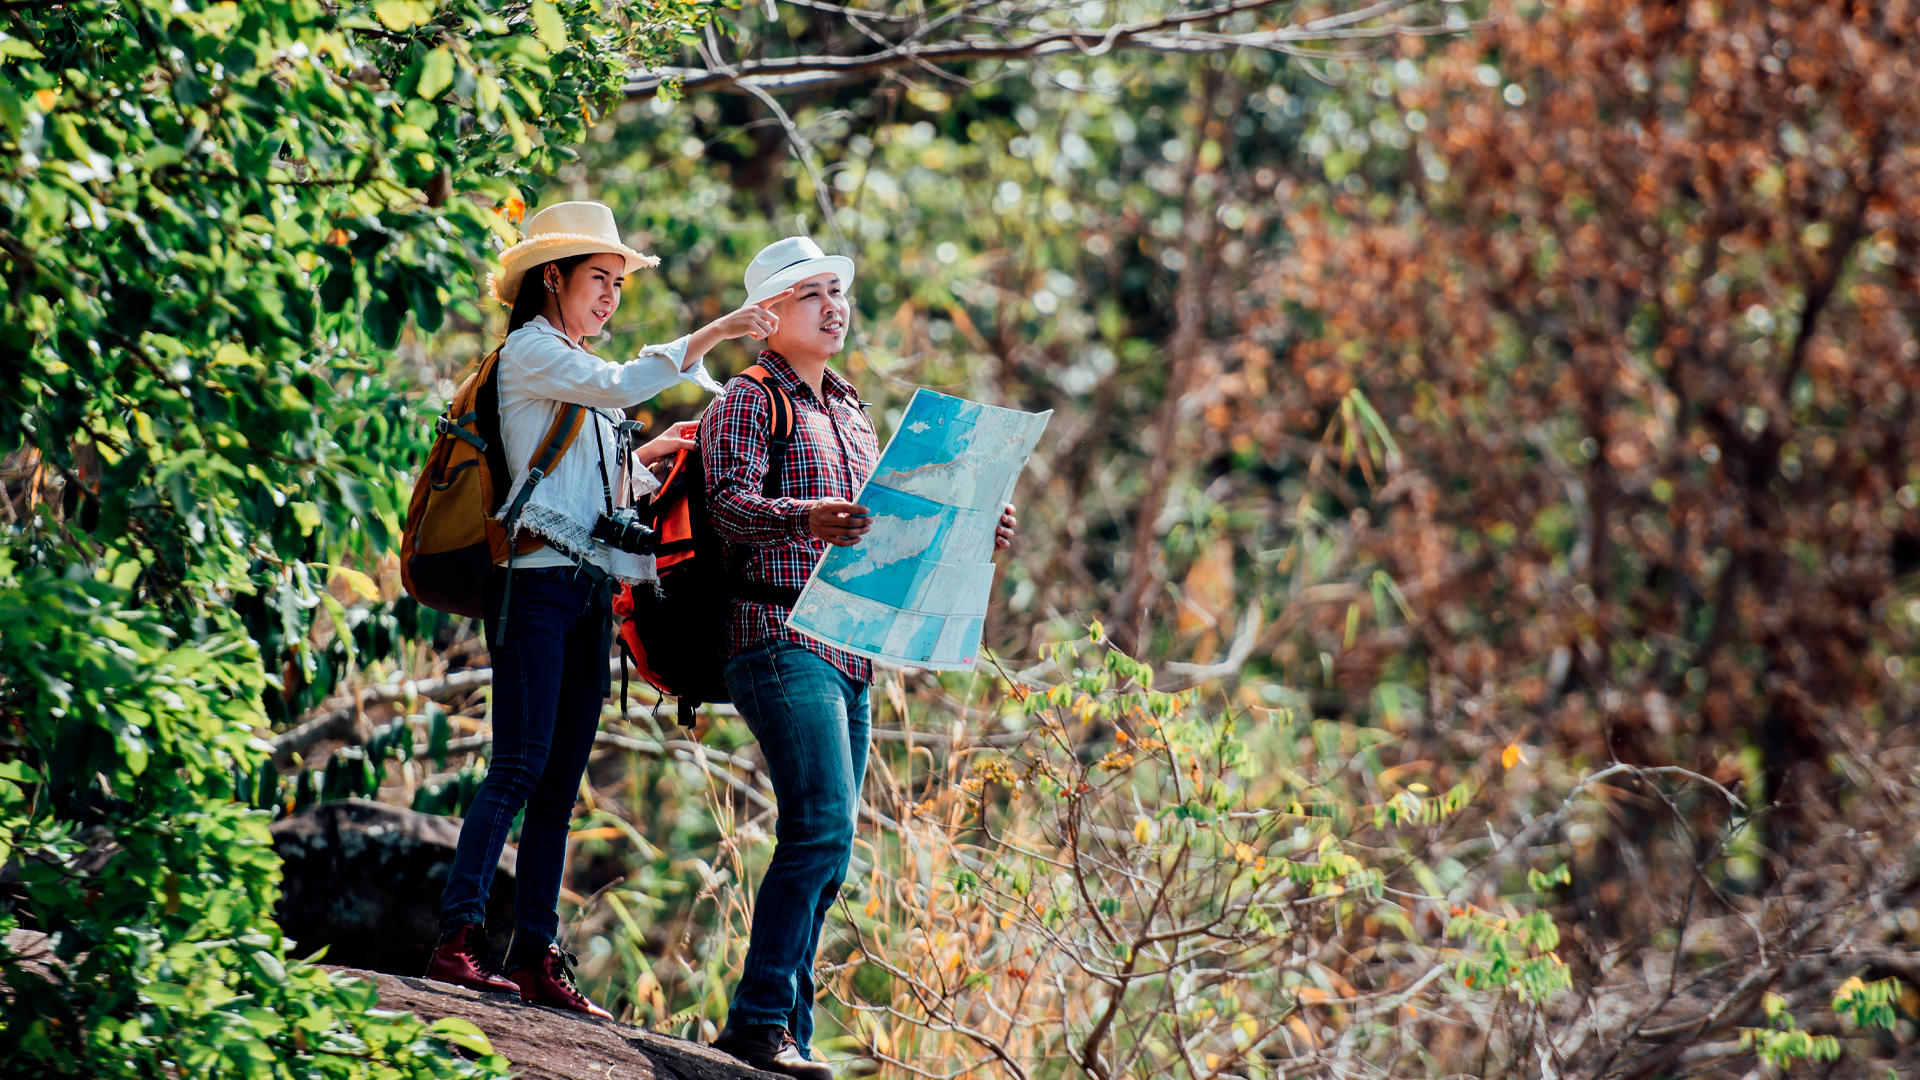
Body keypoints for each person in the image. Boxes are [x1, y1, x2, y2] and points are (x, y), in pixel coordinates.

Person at [424, 201, 780, 1017]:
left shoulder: (579, 377)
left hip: (585, 589)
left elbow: (610, 490)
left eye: (619, 283)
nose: (611, 296)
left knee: (559, 785)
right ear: (551, 279)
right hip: (535, 582)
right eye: (599, 280)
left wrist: (655, 456)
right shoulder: (533, 353)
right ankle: (457, 939)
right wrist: (716, 331)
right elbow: (622, 383)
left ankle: (535, 956)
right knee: (518, 767)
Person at [700, 237, 1017, 1077]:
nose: (834, 306)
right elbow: (728, 506)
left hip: (850, 646)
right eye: (812, 295)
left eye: (837, 290)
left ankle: (786, 1034)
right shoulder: (745, 398)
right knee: (821, 826)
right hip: (774, 636)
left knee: (831, 847)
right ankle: (758, 1024)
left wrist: (977, 532)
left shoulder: (852, 408)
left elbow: (887, 529)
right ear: (768, 316)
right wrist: (806, 519)